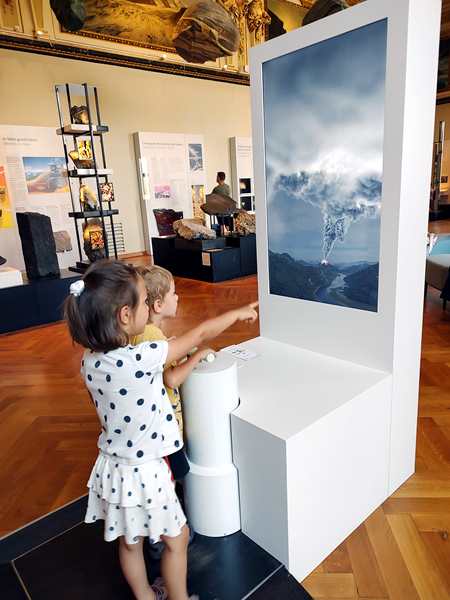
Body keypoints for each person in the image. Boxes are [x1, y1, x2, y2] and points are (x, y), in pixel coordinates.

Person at [64, 260, 258, 600]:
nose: (148, 306)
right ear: (125, 315)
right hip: (147, 471)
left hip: (113, 467)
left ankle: (145, 596)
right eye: (143, 301)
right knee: (177, 539)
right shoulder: (142, 357)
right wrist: (237, 313)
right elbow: (200, 335)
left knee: (130, 542)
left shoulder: (89, 362)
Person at [132, 265, 209, 558]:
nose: (178, 298)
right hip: (163, 428)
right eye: (174, 293)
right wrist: (198, 356)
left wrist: (172, 347)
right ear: (157, 304)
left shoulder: (145, 333)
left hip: (150, 426)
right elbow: (172, 379)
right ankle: (161, 539)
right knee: (168, 479)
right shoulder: (152, 335)